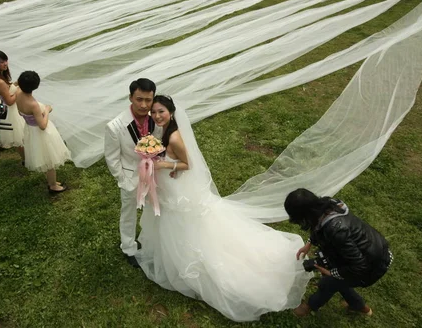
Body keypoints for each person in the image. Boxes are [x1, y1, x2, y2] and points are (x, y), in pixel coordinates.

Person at [134, 96, 311, 322]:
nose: (157, 116)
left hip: (179, 191)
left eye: (161, 112)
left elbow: (188, 165)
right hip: (168, 186)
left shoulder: (175, 137)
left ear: (171, 112)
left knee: (186, 226)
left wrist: (163, 164)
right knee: (166, 220)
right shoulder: (159, 130)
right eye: (154, 112)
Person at [285, 188, 393, 317]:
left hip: (372, 264)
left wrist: (331, 272)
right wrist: (309, 243)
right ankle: (359, 306)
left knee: (329, 283)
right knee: (339, 281)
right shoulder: (325, 206)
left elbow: (359, 266)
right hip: (364, 252)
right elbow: (318, 226)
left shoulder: (336, 230)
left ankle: (310, 305)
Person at [104, 79, 163, 268]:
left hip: (155, 174)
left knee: (155, 208)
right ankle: (128, 246)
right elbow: (112, 158)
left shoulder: (156, 118)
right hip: (131, 178)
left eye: (148, 100)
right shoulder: (115, 126)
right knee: (128, 212)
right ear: (130, 97)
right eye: (139, 99)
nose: (144, 105)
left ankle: (152, 240)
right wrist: (123, 180)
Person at [16, 71, 71, 193]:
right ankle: (53, 186)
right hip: (40, 133)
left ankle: (51, 180)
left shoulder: (18, 93)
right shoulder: (33, 104)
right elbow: (42, 125)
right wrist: (46, 110)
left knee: (43, 155)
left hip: (30, 129)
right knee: (49, 159)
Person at [0, 50, 25, 161]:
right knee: (20, 137)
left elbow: (7, 90)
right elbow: (9, 100)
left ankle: (26, 158)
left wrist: (15, 84)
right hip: (11, 110)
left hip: (12, 109)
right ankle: (26, 159)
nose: (5, 64)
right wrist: (19, 90)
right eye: (1, 62)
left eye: (5, 60)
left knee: (21, 136)